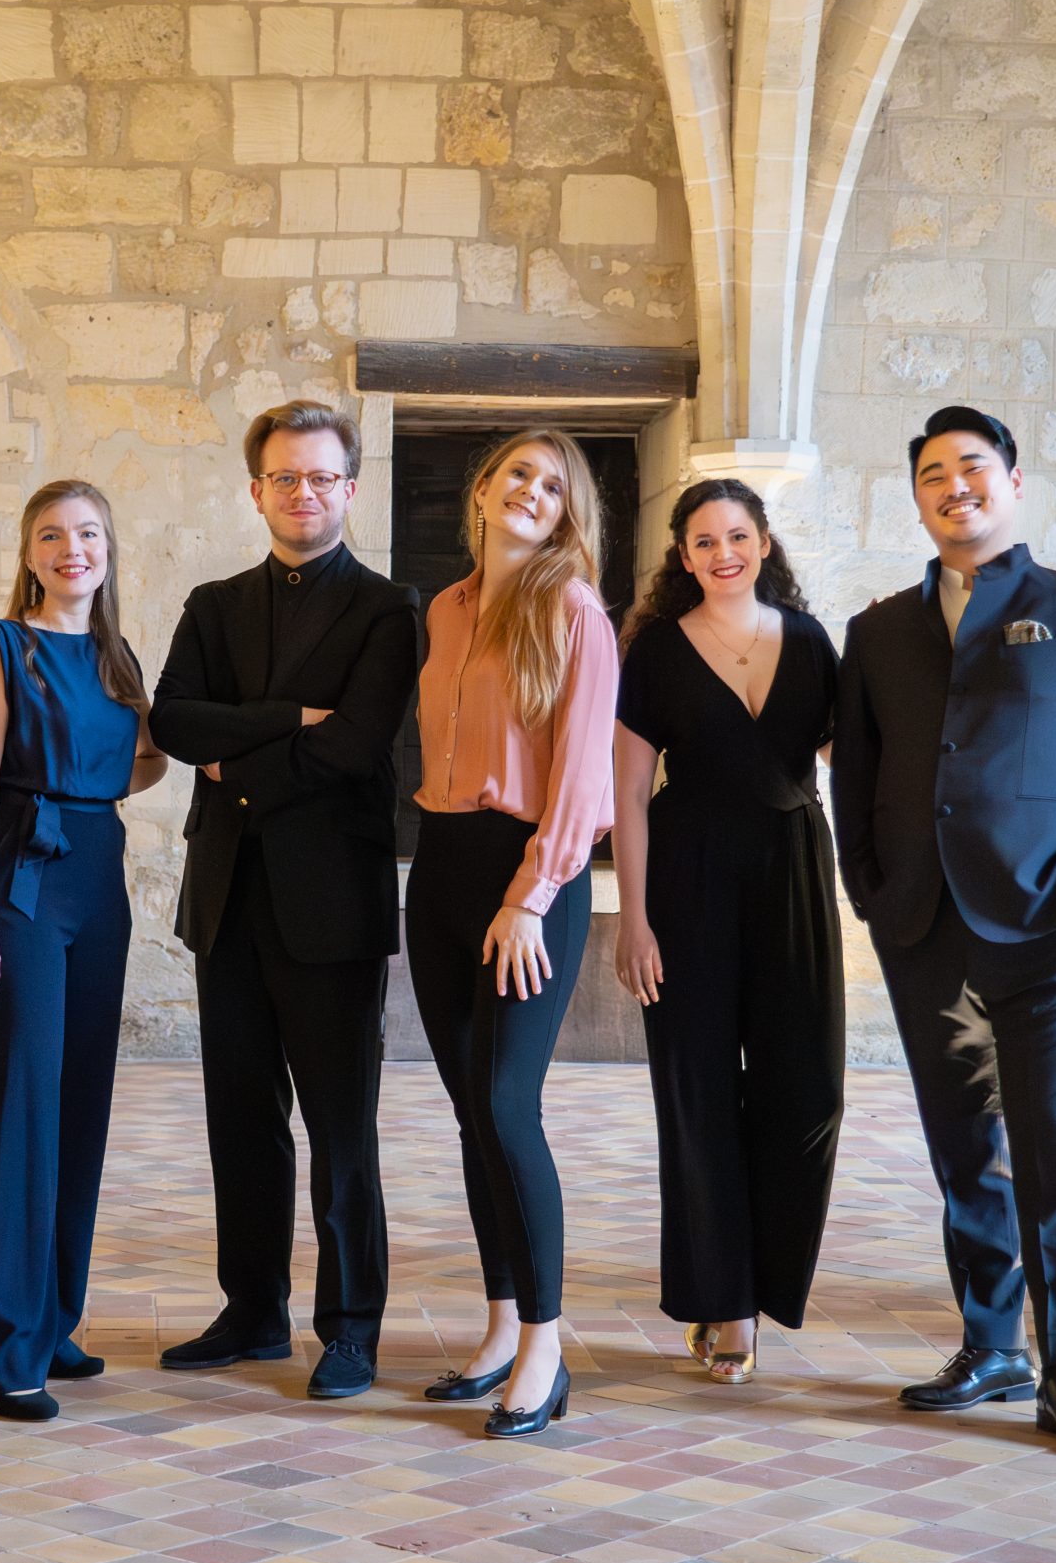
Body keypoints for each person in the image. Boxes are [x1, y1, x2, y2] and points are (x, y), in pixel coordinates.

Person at [834, 404, 1056, 1455]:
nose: (953, 486)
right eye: (932, 474)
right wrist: (872, 891)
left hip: (1051, 924)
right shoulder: (876, 631)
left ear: (1011, 480)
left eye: (971, 468)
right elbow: (860, 774)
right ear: (916, 496)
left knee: (1053, 1144)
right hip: (921, 920)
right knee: (960, 1140)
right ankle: (990, 1342)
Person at [147, 402, 421, 1399]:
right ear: (255, 489)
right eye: (283, 478)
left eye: (320, 478)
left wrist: (241, 764)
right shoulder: (213, 604)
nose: (301, 494)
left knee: (342, 1130)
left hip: (333, 908)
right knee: (242, 1122)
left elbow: (358, 743)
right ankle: (252, 1310)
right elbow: (173, 716)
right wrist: (282, 720)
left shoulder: (389, 610)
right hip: (227, 898)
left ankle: (349, 1329)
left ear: (349, 489)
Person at [612, 480, 844, 1386]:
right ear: (683, 555)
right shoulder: (657, 651)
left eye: (737, 535)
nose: (723, 553)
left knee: (811, 1090)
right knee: (698, 1094)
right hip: (686, 877)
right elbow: (629, 793)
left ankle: (768, 1278)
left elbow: (848, 755)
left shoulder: (813, 642)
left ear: (763, 541)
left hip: (793, 868)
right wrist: (632, 919)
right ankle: (727, 1304)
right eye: (703, 540)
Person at [409, 430, 617, 1439]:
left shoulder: (572, 609)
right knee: (469, 1112)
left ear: (569, 509)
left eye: (554, 484)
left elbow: (584, 777)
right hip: (441, 865)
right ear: (482, 487)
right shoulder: (445, 610)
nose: (534, 491)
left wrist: (529, 894)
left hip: (527, 879)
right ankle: (497, 1326)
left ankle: (544, 1348)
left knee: (507, 1104)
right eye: (519, 474)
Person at [0, 480, 168, 1420]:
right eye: (52, 535)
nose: (71, 549)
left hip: (100, 881)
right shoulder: (3, 646)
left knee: (83, 1102)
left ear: (108, 549)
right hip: (23, 884)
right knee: (21, 1107)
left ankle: (54, 1318)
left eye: (88, 534)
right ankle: (6, 1355)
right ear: (30, 554)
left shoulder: (119, 658)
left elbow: (147, 756)